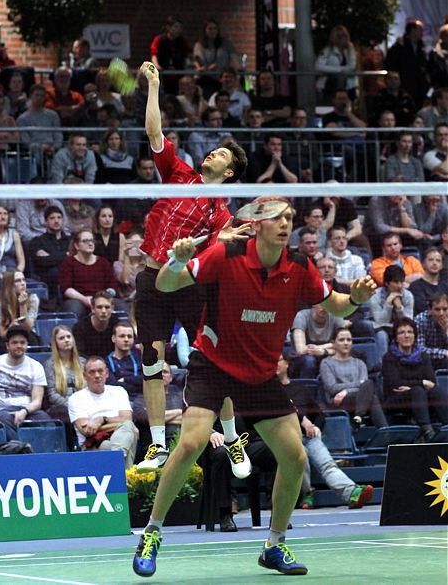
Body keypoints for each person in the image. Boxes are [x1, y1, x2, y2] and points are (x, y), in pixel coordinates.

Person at [132, 196, 377, 578]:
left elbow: (338, 306)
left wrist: (357, 299)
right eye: (278, 218)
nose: (286, 224)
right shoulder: (225, 255)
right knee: (193, 442)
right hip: (213, 365)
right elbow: (165, 284)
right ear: (258, 223)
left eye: (290, 218)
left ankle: (274, 545)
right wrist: (177, 259)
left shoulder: (298, 266)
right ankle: (152, 534)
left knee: (295, 457)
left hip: (261, 375)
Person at [133, 61, 249, 477]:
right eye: (213, 148)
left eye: (220, 153)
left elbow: (220, 245)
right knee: (151, 358)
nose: (211, 152)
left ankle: (234, 439)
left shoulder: (221, 211)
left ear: (229, 171)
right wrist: (154, 87)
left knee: (213, 361)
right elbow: (154, 133)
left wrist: (232, 237)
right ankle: (159, 445)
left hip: (187, 283)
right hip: (151, 277)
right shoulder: (178, 173)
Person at [276, 354, 374, 510]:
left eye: (279, 360)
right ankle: (306, 493)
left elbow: (319, 414)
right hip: (285, 439)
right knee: (301, 461)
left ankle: (352, 493)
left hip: (308, 436)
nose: (275, 364)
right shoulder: (271, 391)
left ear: (287, 364)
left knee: (327, 464)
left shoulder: (300, 389)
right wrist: (302, 421)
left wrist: (316, 427)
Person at [382, 318, 448, 441]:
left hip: (420, 397)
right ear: (396, 338)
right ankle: (428, 432)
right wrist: (421, 383)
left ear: (415, 336)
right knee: (417, 390)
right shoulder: (389, 357)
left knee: (436, 391)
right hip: (395, 399)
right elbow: (395, 384)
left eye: (410, 332)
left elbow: (431, 382)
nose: (406, 336)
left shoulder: (423, 356)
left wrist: (412, 386)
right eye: (402, 332)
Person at [0, 326, 50, 440]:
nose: (19, 346)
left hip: (29, 410)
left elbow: (37, 402)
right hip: (4, 411)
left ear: (26, 345)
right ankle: (22, 452)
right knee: (2, 421)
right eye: (15, 343)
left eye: (22, 343)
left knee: (48, 422)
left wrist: (24, 411)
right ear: (7, 345)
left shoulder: (36, 366)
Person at [67, 355, 139, 466]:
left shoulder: (119, 391)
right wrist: (119, 425)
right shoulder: (76, 398)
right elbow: (87, 431)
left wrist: (101, 420)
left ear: (107, 373)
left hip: (121, 437)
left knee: (128, 429)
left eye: (100, 371)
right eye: (92, 372)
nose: (97, 375)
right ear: (84, 375)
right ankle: (120, 461)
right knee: (128, 437)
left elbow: (127, 420)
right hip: (93, 444)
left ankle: (118, 457)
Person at [320, 328, 388, 429]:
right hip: (337, 402)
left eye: (349, 340)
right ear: (333, 343)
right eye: (342, 340)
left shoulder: (360, 363)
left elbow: (365, 386)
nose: (346, 343)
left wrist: (346, 391)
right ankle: (384, 431)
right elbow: (332, 388)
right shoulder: (326, 363)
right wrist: (358, 384)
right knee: (371, 394)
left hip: (359, 399)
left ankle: (357, 418)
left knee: (369, 386)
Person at [58, 229, 117, 316]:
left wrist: (105, 297)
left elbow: (112, 285)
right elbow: (66, 289)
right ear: (76, 246)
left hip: (102, 298)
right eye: (85, 241)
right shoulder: (68, 263)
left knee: (121, 305)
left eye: (92, 240)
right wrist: (84, 299)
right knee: (74, 307)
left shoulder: (103, 262)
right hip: (78, 299)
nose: (90, 243)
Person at [133, 362, 183, 459]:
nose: (162, 375)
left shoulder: (180, 396)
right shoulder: (142, 399)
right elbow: (145, 418)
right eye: (158, 372)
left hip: (181, 442)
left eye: (165, 372)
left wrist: (157, 418)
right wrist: (179, 412)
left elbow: (189, 418)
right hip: (152, 448)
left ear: (171, 377)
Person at [16, 84, 62, 176]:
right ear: (31, 96)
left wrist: (54, 147)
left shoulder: (53, 115)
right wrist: (40, 147)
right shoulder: (22, 118)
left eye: (42, 95)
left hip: (53, 150)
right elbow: (25, 141)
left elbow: (58, 135)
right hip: (34, 153)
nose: (39, 98)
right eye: (37, 95)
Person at [370, 265, 414, 360]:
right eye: (395, 282)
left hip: (399, 327)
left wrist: (399, 308)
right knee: (381, 335)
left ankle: (408, 361)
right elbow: (380, 321)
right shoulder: (375, 296)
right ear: (386, 283)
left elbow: (408, 323)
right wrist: (388, 304)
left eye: (401, 282)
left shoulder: (408, 296)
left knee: (407, 333)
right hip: (379, 328)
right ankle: (383, 365)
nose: (399, 286)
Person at [291, 304, 347, 378]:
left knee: (343, 356)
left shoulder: (336, 315)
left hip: (326, 354)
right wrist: (330, 345)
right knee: (309, 361)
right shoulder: (301, 316)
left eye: (327, 303)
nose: (324, 307)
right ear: (313, 304)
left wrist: (323, 351)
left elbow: (344, 346)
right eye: (321, 303)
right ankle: (307, 388)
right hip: (302, 357)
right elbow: (300, 350)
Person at [0, 270, 40, 351]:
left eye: (23, 280)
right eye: (18, 281)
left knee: (33, 341)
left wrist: (22, 305)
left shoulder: (33, 298)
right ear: (9, 284)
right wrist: (11, 327)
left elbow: (28, 327)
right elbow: (2, 334)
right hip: (6, 337)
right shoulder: (0, 303)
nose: (23, 283)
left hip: (27, 335)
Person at [43, 325, 85, 421]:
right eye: (62, 338)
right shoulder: (50, 365)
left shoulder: (83, 362)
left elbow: (87, 388)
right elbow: (52, 394)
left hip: (82, 405)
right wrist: (71, 405)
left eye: (69, 337)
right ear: (55, 343)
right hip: (60, 408)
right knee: (64, 413)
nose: (66, 340)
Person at [28, 205, 71, 297]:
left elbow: (75, 259)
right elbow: (42, 262)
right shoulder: (37, 241)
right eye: (52, 218)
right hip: (49, 280)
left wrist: (51, 257)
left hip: (71, 278)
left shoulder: (70, 240)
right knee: (54, 272)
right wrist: (66, 255)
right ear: (45, 222)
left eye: (59, 218)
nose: (56, 221)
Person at [386, 19, 430, 107]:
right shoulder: (399, 46)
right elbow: (391, 64)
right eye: (420, 29)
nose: (422, 32)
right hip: (405, 85)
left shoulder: (421, 47)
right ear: (412, 30)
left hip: (419, 87)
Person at [0, 203, 25, 284]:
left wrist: (16, 275)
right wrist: (1, 276)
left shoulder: (14, 235)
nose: (3, 217)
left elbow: (22, 262)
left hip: (13, 273)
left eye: (5, 214)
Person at [315, 25, 358, 102]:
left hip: (348, 85)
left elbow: (352, 66)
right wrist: (339, 70)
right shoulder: (328, 50)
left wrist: (350, 48)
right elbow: (318, 66)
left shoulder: (349, 49)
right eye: (339, 36)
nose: (342, 38)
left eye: (344, 35)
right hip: (329, 85)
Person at [72, 290, 118, 359]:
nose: (103, 311)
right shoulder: (80, 327)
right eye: (99, 307)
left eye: (107, 307)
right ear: (93, 309)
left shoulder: (117, 326)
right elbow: (80, 355)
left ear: (112, 309)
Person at [106, 321, 143, 402]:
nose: (126, 339)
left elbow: (145, 381)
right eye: (122, 336)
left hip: (140, 401)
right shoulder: (106, 363)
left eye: (129, 336)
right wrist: (136, 383)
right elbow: (112, 386)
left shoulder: (140, 359)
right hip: (116, 402)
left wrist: (125, 379)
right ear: (113, 338)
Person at [409, 246, 448, 315]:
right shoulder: (415, 286)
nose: (434, 263)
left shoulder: (446, 285)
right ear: (423, 264)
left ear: (442, 265)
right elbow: (422, 308)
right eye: (430, 260)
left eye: (438, 260)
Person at [415, 292, 448, 371]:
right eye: (437, 309)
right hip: (426, 360)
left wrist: (446, 332)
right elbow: (419, 349)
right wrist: (443, 353)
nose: (441, 313)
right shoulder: (420, 320)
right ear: (429, 310)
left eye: (445, 309)